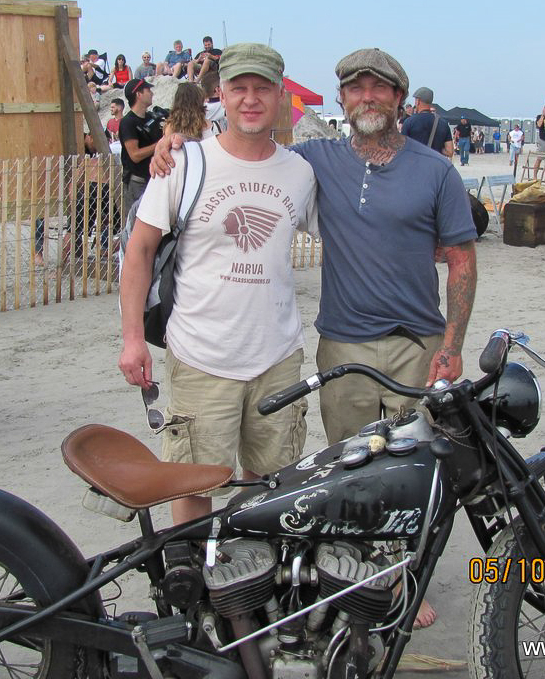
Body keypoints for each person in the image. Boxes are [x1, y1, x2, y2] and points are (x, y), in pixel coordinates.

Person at [153, 49, 477, 629]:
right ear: (343, 100)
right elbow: (250, 152)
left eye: (379, 88)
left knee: (419, 472)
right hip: (343, 344)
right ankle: (363, 576)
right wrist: (173, 141)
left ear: (400, 98)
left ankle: (406, 577)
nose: (367, 97)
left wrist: (451, 346)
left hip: (419, 343)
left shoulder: (436, 171)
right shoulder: (314, 161)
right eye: (355, 89)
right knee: (355, 474)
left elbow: (461, 259)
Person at [119, 43, 317, 526]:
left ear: (280, 96)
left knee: (271, 483)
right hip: (201, 356)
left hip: (278, 357)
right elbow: (139, 251)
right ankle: (193, 568)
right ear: (221, 96)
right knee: (193, 484)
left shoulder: (301, 172)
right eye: (239, 88)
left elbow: (350, 231)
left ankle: (255, 564)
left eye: (262, 89)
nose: (250, 99)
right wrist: (131, 340)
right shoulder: (181, 163)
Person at [119, 78, 164, 213]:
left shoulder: (151, 118)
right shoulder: (128, 122)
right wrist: (160, 144)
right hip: (138, 183)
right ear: (138, 94)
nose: (152, 93)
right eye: (148, 90)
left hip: (154, 179)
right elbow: (135, 155)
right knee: (137, 220)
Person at [401, 87, 453, 157]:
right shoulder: (443, 123)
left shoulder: (409, 122)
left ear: (418, 101)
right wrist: (436, 149)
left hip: (415, 162)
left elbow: (402, 148)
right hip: (435, 162)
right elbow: (449, 152)